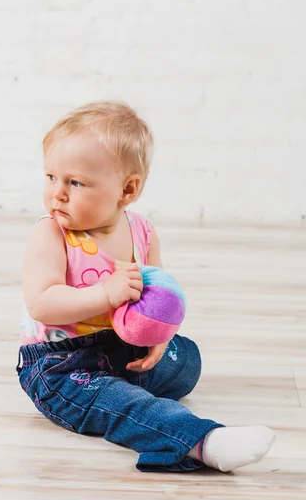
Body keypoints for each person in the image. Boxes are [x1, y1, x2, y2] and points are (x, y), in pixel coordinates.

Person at [16, 101, 275, 473]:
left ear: (127, 189)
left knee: (187, 360)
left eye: (75, 182)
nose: (57, 193)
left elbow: (159, 296)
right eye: (51, 177)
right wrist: (106, 293)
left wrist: (161, 337)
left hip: (123, 347)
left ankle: (129, 383)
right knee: (124, 403)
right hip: (61, 363)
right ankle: (202, 442)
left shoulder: (142, 231)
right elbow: (42, 303)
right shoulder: (51, 233)